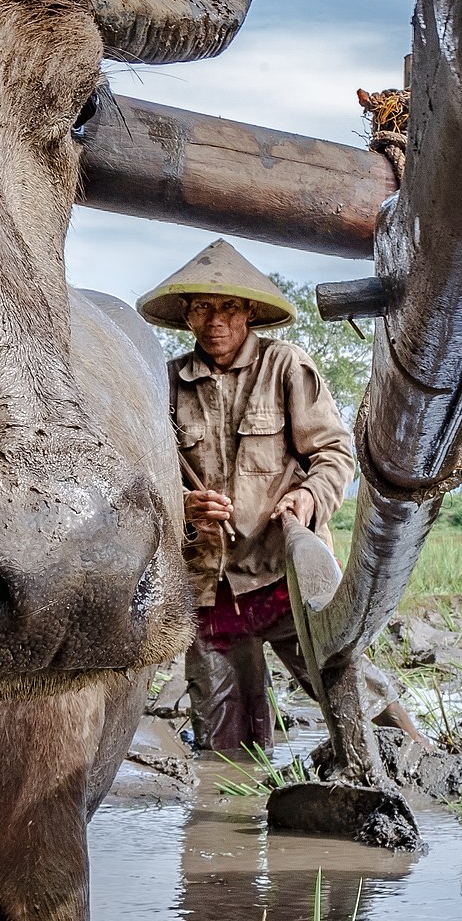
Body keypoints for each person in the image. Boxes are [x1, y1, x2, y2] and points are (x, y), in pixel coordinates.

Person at [139, 240, 357, 754]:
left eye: (228, 308)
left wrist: (306, 499)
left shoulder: (285, 367)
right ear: (187, 317)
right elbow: (149, 479)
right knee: (223, 747)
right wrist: (184, 509)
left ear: (250, 313)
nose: (215, 320)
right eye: (202, 308)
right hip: (208, 587)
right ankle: (225, 827)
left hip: (286, 577)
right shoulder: (166, 383)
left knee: (350, 699)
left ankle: (411, 766)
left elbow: (334, 455)